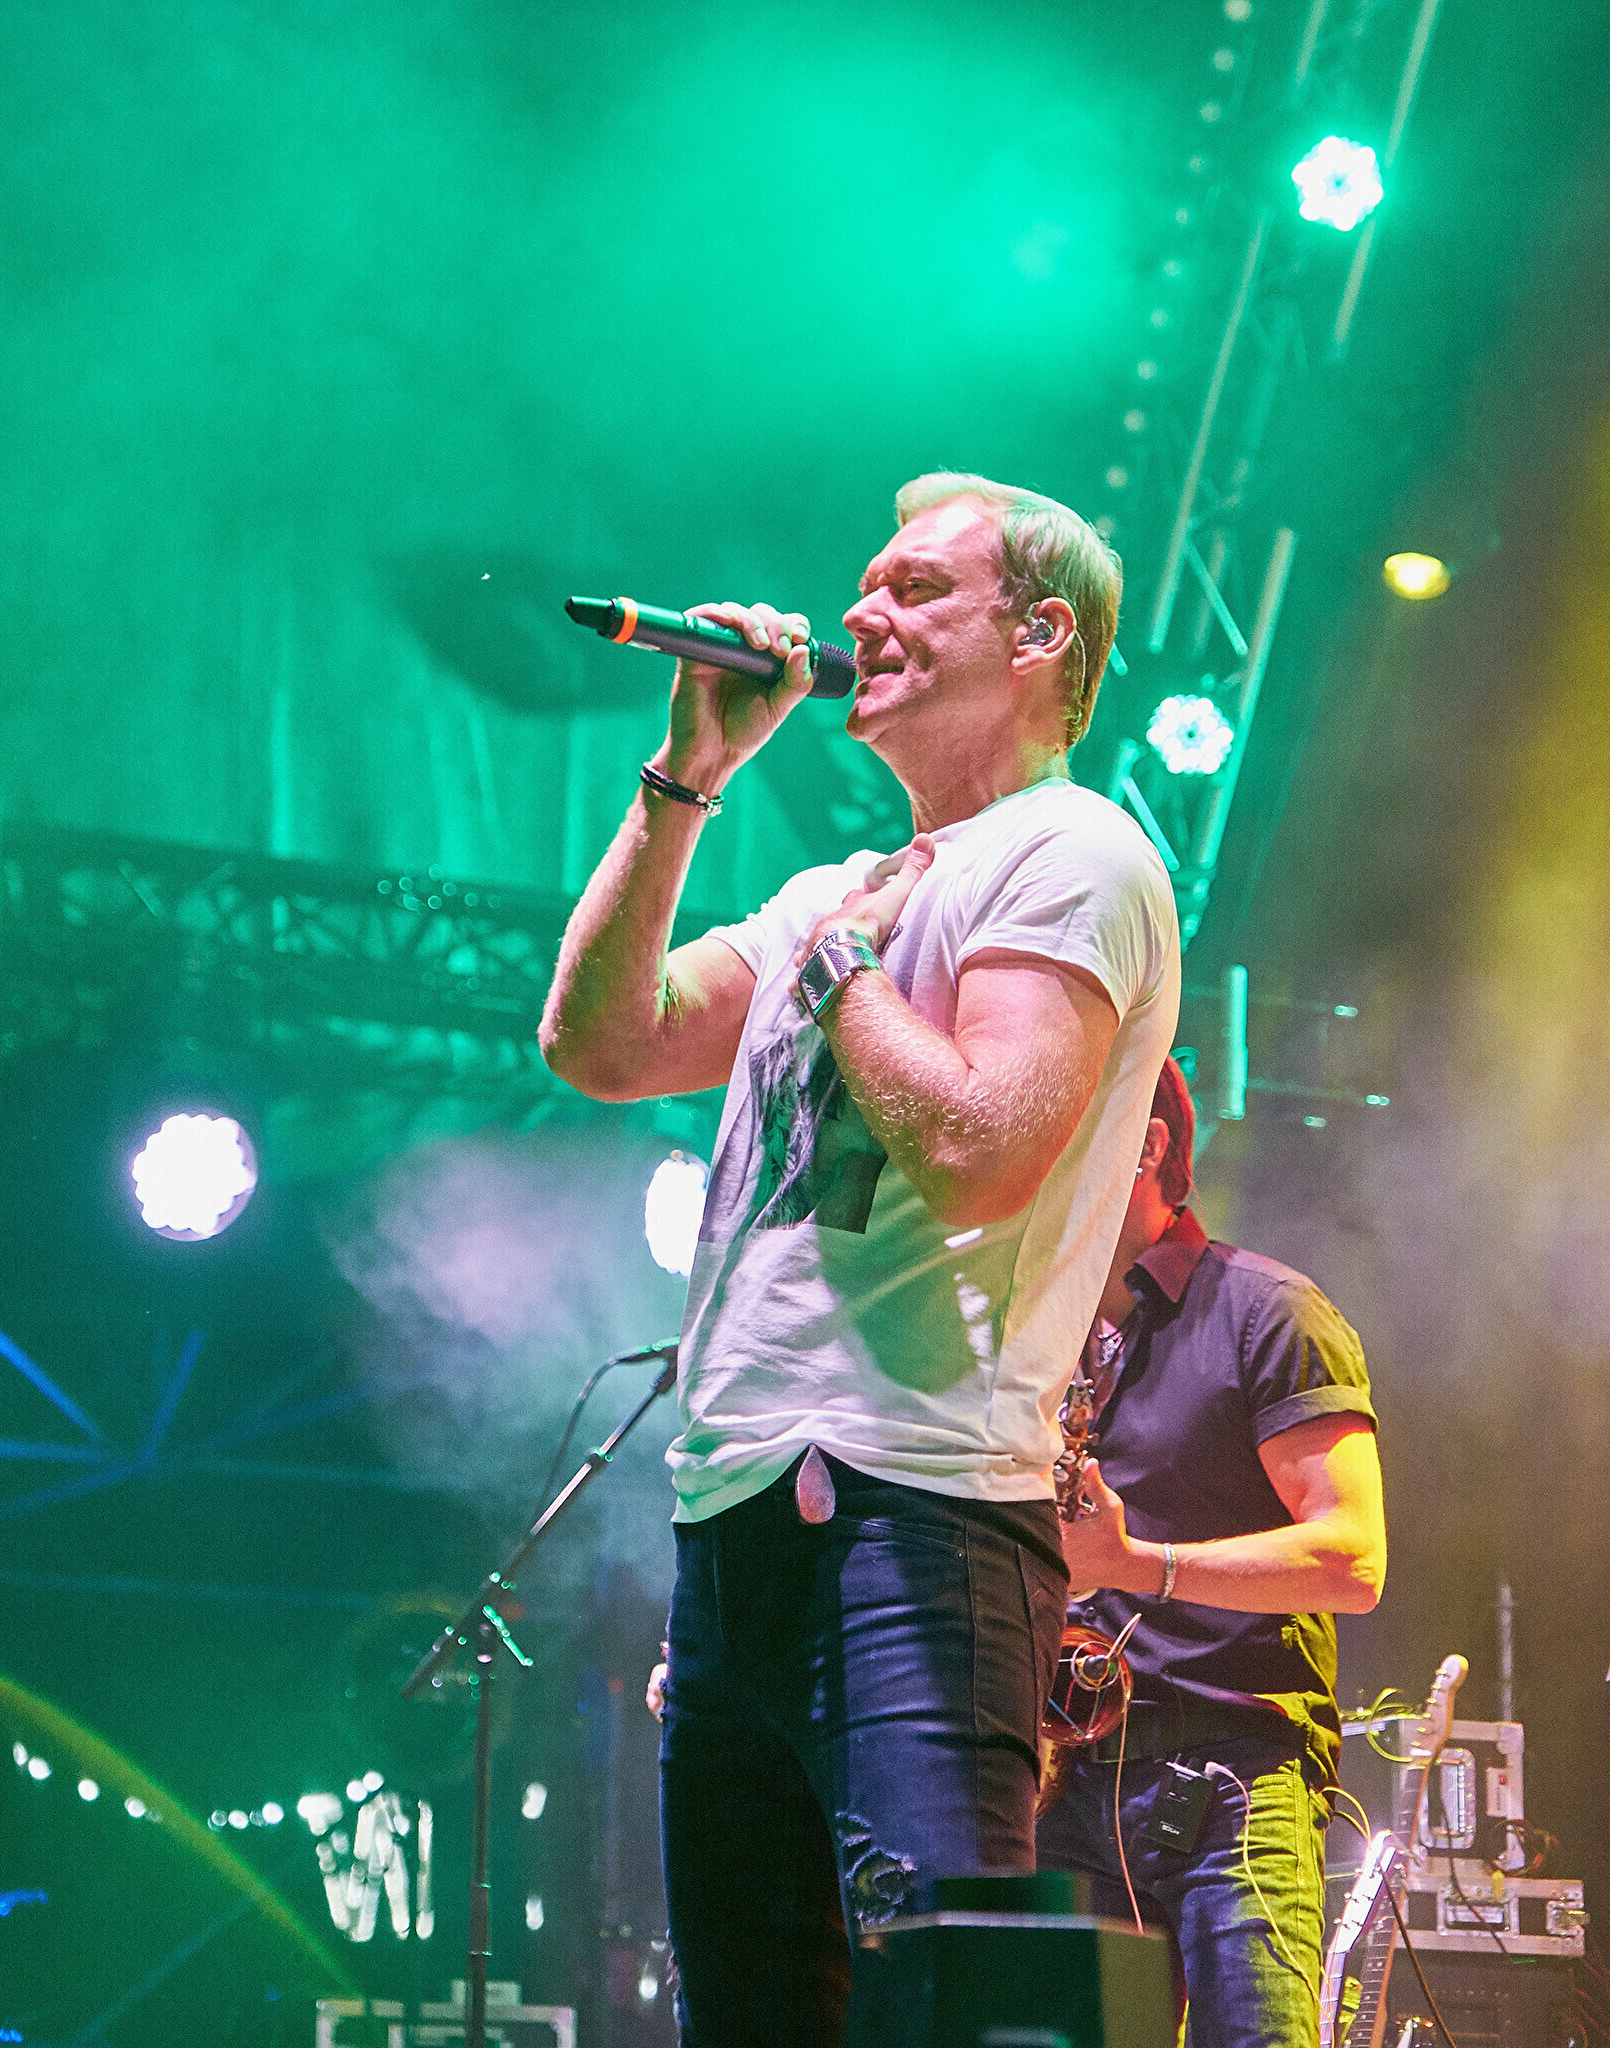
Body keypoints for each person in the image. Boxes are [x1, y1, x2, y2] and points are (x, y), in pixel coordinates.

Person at [543, 473, 1180, 2047]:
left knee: (937, 2014)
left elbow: (976, 1145)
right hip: (734, 1519)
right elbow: (597, 1042)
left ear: (1039, 636)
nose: (857, 613)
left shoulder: (1073, 851)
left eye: (912, 586)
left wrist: (838, 966)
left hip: (916, 1514)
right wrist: (686, 777)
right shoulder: (830, 891)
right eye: (863, 586)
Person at [1036, 1055, 1385, 2048]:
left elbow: (1353, 1559)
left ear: (1147, 1145)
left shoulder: (1267, 1308)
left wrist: (1132, 1563)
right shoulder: (1036, 1337)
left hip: (1236, 1780)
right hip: (1071, 1786)